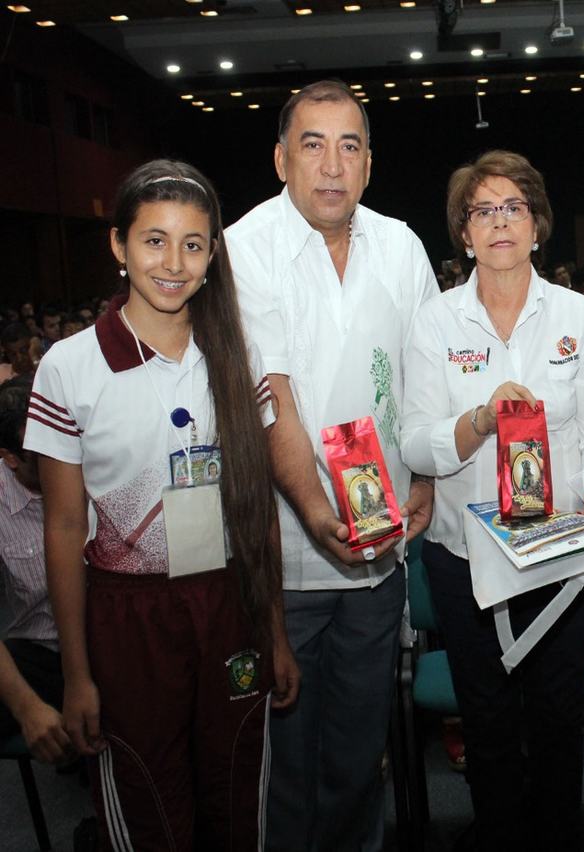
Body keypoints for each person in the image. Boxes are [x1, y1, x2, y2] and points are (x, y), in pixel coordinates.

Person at [26, 159, 296, 850]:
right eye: (154, 240)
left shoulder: (237, 353)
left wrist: (274, 631)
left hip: (229, 602)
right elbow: (61, 526)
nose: (173, 262)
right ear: (118, 245)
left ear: (212, 255)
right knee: (149, 801)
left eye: (194, 243)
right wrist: (78, 672)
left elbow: (257, 506)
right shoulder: (70, 365)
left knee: (237, 790)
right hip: (127, 615)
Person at [225, 79, 437, 851]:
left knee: (356, 757)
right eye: (311, 144)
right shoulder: (246, 247)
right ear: (282, 158)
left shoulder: (400, 244)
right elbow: (268, 394)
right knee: (282, 764)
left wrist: (422, 477)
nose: (331, 165)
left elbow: (424, 377)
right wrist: (317, 516)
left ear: (369, 163)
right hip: (285, 555)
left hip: (379, 559)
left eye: (349, 145)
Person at [401, 149, 584, 852]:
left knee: (559, 718)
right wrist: (478, 421)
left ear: (537, 226)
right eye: (483, 210)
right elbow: (413, 446)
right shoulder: (434, 323)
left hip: (554, 554)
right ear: (463, 233)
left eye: (514, 207)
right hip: (464, 557)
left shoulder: (577, 315)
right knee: (488, 723)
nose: (499, 222)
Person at [0, 375, 71, 766]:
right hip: (42, 650)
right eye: (40, 452)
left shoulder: (91, 462)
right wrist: (27, 707)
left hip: (110, 636)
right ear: (10, 458)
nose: (59, 454)